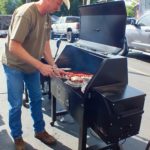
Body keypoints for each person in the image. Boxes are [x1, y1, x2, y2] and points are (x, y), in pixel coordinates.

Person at [1, 0, 70, 149]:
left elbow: (45, 45)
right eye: (58, 3)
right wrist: (40, 65)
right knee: (16, 104)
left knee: (37, 99)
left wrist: (54, 66)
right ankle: (17, 136)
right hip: (14, 65)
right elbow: (14, 46)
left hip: (32, 66)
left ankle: (40, 131)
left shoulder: (47, 17)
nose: (58, 8)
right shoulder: (26, 13)